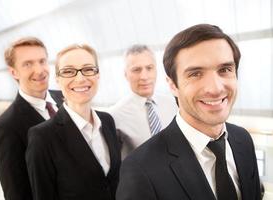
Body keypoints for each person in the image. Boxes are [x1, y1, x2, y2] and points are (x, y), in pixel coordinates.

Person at [116, 24, 261, 200]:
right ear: (172, 85)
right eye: (195, 74)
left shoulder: (243, 140)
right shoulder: (140, 170)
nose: (215, 89)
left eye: (224, 70)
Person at [26, 44, 121, 200]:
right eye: (68, 71)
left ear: (97, 75)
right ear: (57, 79)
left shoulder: (107, 121)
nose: (80, 78)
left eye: (88, 69)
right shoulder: (42, 138)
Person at [0, 37, 63, 200]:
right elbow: (16, 193)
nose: (39, 70)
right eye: (28, 64)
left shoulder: (67, 99)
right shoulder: (6, 127)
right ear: (13, 72)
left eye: (42, 61)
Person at [109, 44, 177, 158]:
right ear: (126, 74)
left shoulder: (173, 103)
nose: (144, 76)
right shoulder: (114, 116)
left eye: (149, 68)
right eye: (136, 70)